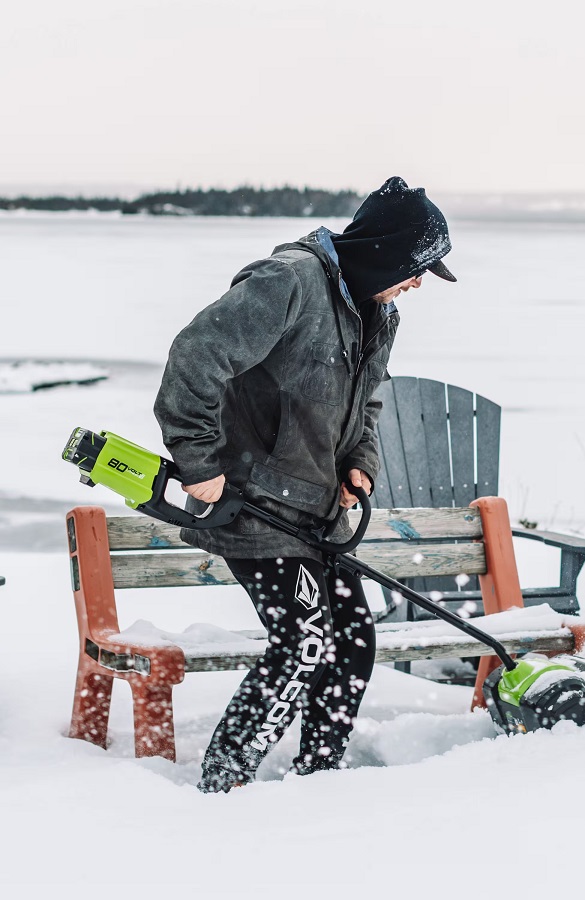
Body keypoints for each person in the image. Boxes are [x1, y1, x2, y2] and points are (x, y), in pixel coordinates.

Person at [153, 177, 456, 793]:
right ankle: (223, 783)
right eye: (416, 267)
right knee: (304, 642)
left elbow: (365, 400)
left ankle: (319, 781)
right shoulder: (287, 282)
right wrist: (199, 460)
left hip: (316, 512)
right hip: (253, 505)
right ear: (383, 251)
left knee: (351, 641)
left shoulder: (379, 310)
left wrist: (360, 461)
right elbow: (195, 356)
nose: (420, 282)